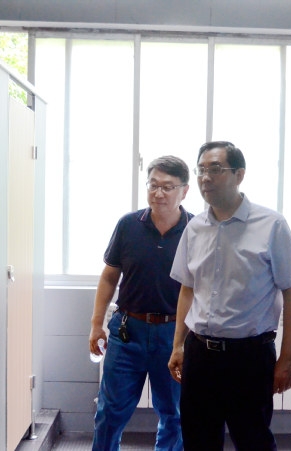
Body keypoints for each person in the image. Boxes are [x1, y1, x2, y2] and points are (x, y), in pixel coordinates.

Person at [167, 141, 291, 451]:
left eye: (215, 169)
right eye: (201, 170)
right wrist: (178, 345)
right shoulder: (194, 228)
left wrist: (287, 358)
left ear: (239, 174)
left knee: (253, 440)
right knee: (198, 441)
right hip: (200, 354)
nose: (205, 177)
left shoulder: (271, 225)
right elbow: (188, 289)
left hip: (249, 357)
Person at [89, 155, 193, 451]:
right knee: (109, 412)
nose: (159, 193)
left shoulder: (197, 229)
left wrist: (183, 342)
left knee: (175, 414)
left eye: (168, 187)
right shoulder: (128, 225)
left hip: (175, 335)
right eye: (153, 185)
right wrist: (96, 324)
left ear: (184, 191)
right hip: (127, 331)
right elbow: (109, 276)